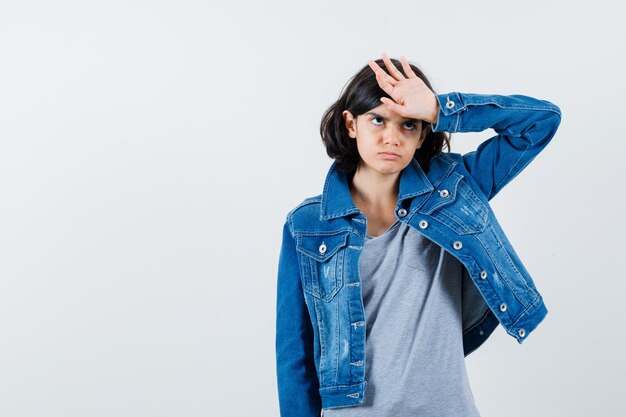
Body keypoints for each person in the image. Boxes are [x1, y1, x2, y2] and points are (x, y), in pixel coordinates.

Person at [275, 53, 562, 417]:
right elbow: (294, 354)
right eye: (377, 120)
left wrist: (442, 109)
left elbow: (541, 121)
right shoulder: (308, 224)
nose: (391, 138)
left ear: (424, 131)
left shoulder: (456, 189)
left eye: (408, 125)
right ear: (351, 124)